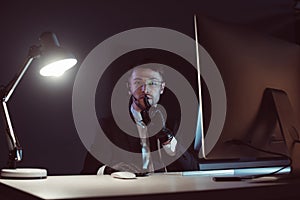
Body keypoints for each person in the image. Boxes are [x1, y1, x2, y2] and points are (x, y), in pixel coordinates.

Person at [81, 65, 199, 175]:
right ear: (129, 87)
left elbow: (193, 169)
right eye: (138, 83)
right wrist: (110, 169)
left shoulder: (174, 124)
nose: (145, 89)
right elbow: (89, 170)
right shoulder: (109, 126)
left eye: (152, 83)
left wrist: (167, 138)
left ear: (162, 88)